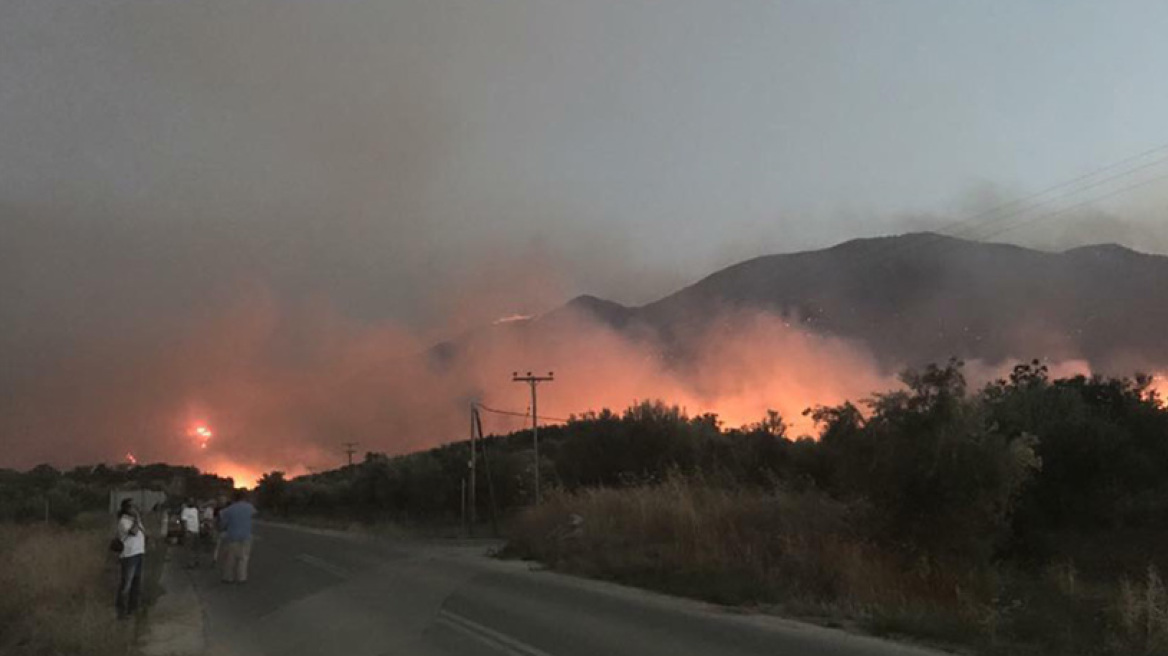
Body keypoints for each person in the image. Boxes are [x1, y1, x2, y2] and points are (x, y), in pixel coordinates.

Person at [114, 498, 146, 619]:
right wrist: (137, 519)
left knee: (136, 583)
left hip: (138, 553)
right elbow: (133, 532)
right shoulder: (123, 521)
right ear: (127, 509)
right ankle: (121, 610)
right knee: (126, 583)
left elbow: (142, 532)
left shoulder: (133, 520)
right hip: (129, 555)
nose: (135, 508)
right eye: (133, 507)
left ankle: (133, 608)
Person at [218, 490, 257, 583]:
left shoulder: (229, 510)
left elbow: (223, 524)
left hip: (232, 535)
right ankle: (241, 577)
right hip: (246, 535)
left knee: (230, 558)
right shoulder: (250, 507)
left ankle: (228, 577)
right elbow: (254, 515)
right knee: (243, 558)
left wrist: (222, 529)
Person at [179, 498, 200, 568]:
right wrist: (186, 531)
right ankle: (190, 563)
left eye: (192, 501)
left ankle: (196, 561)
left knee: (196, 548)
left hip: (196, 531)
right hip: (189, 531)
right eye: (190, 501)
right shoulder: (185, 511)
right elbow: (184, 521)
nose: (192, 502)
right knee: (189, 548)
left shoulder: (195, 510)